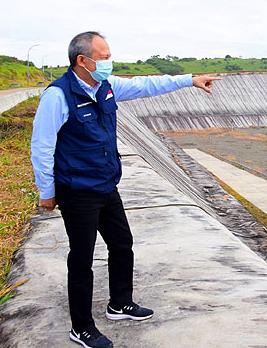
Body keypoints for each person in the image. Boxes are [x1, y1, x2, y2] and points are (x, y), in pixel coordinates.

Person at [30, 31, 220, 348]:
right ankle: (81, 327)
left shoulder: (107, 87)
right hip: (77, 190)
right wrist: (46, 191)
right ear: (82, 60)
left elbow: (146, 85)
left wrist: (190, 79)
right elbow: (41, 147)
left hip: (105, 183)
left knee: (122, 244)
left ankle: (120, 304)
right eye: (103, 56)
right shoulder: (57, 97)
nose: (109, 61)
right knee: (82, 258)